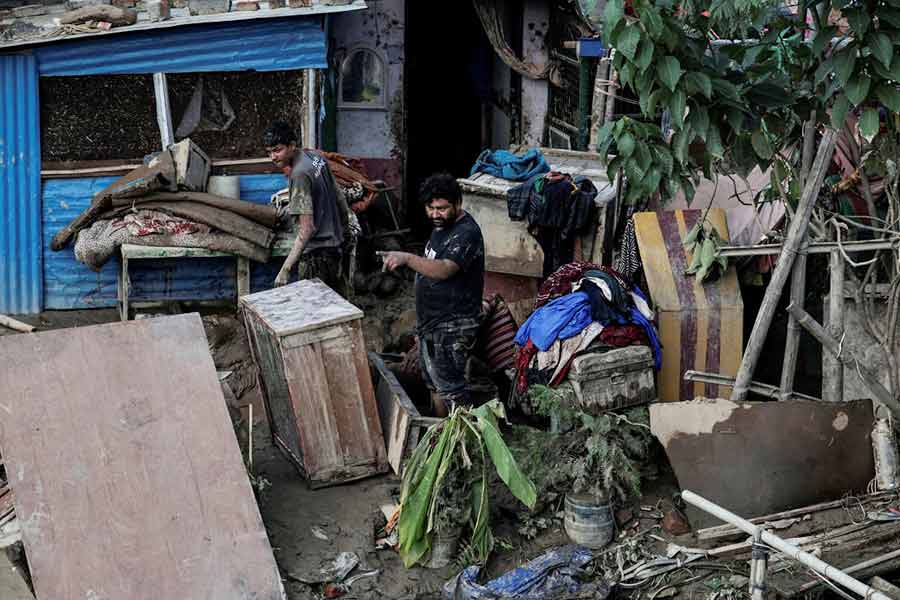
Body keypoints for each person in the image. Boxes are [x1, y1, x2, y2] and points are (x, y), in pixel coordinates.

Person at [381, 173, 485, 417]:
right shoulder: (442, 228)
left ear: (457, 203)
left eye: (442, 208)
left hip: (453, 325)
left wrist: (407, 258)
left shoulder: (466, 233)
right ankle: (439, 432)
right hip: (432, 324)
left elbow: (445, 269)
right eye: (431, 208)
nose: (436, 214)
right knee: (435, 385)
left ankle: (461, 444)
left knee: (452, 391)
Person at [264, 121, 350, 293]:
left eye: (277, 150)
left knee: (313, 314)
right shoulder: (315, 157)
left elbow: (307, 229)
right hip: (335, 248)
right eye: (269, 152)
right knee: (335, 308)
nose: (272, 157)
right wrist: (345, 230)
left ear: (292, 146)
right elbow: (339, 196)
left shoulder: (299, 174)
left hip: (316, 258)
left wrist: (285, 270)